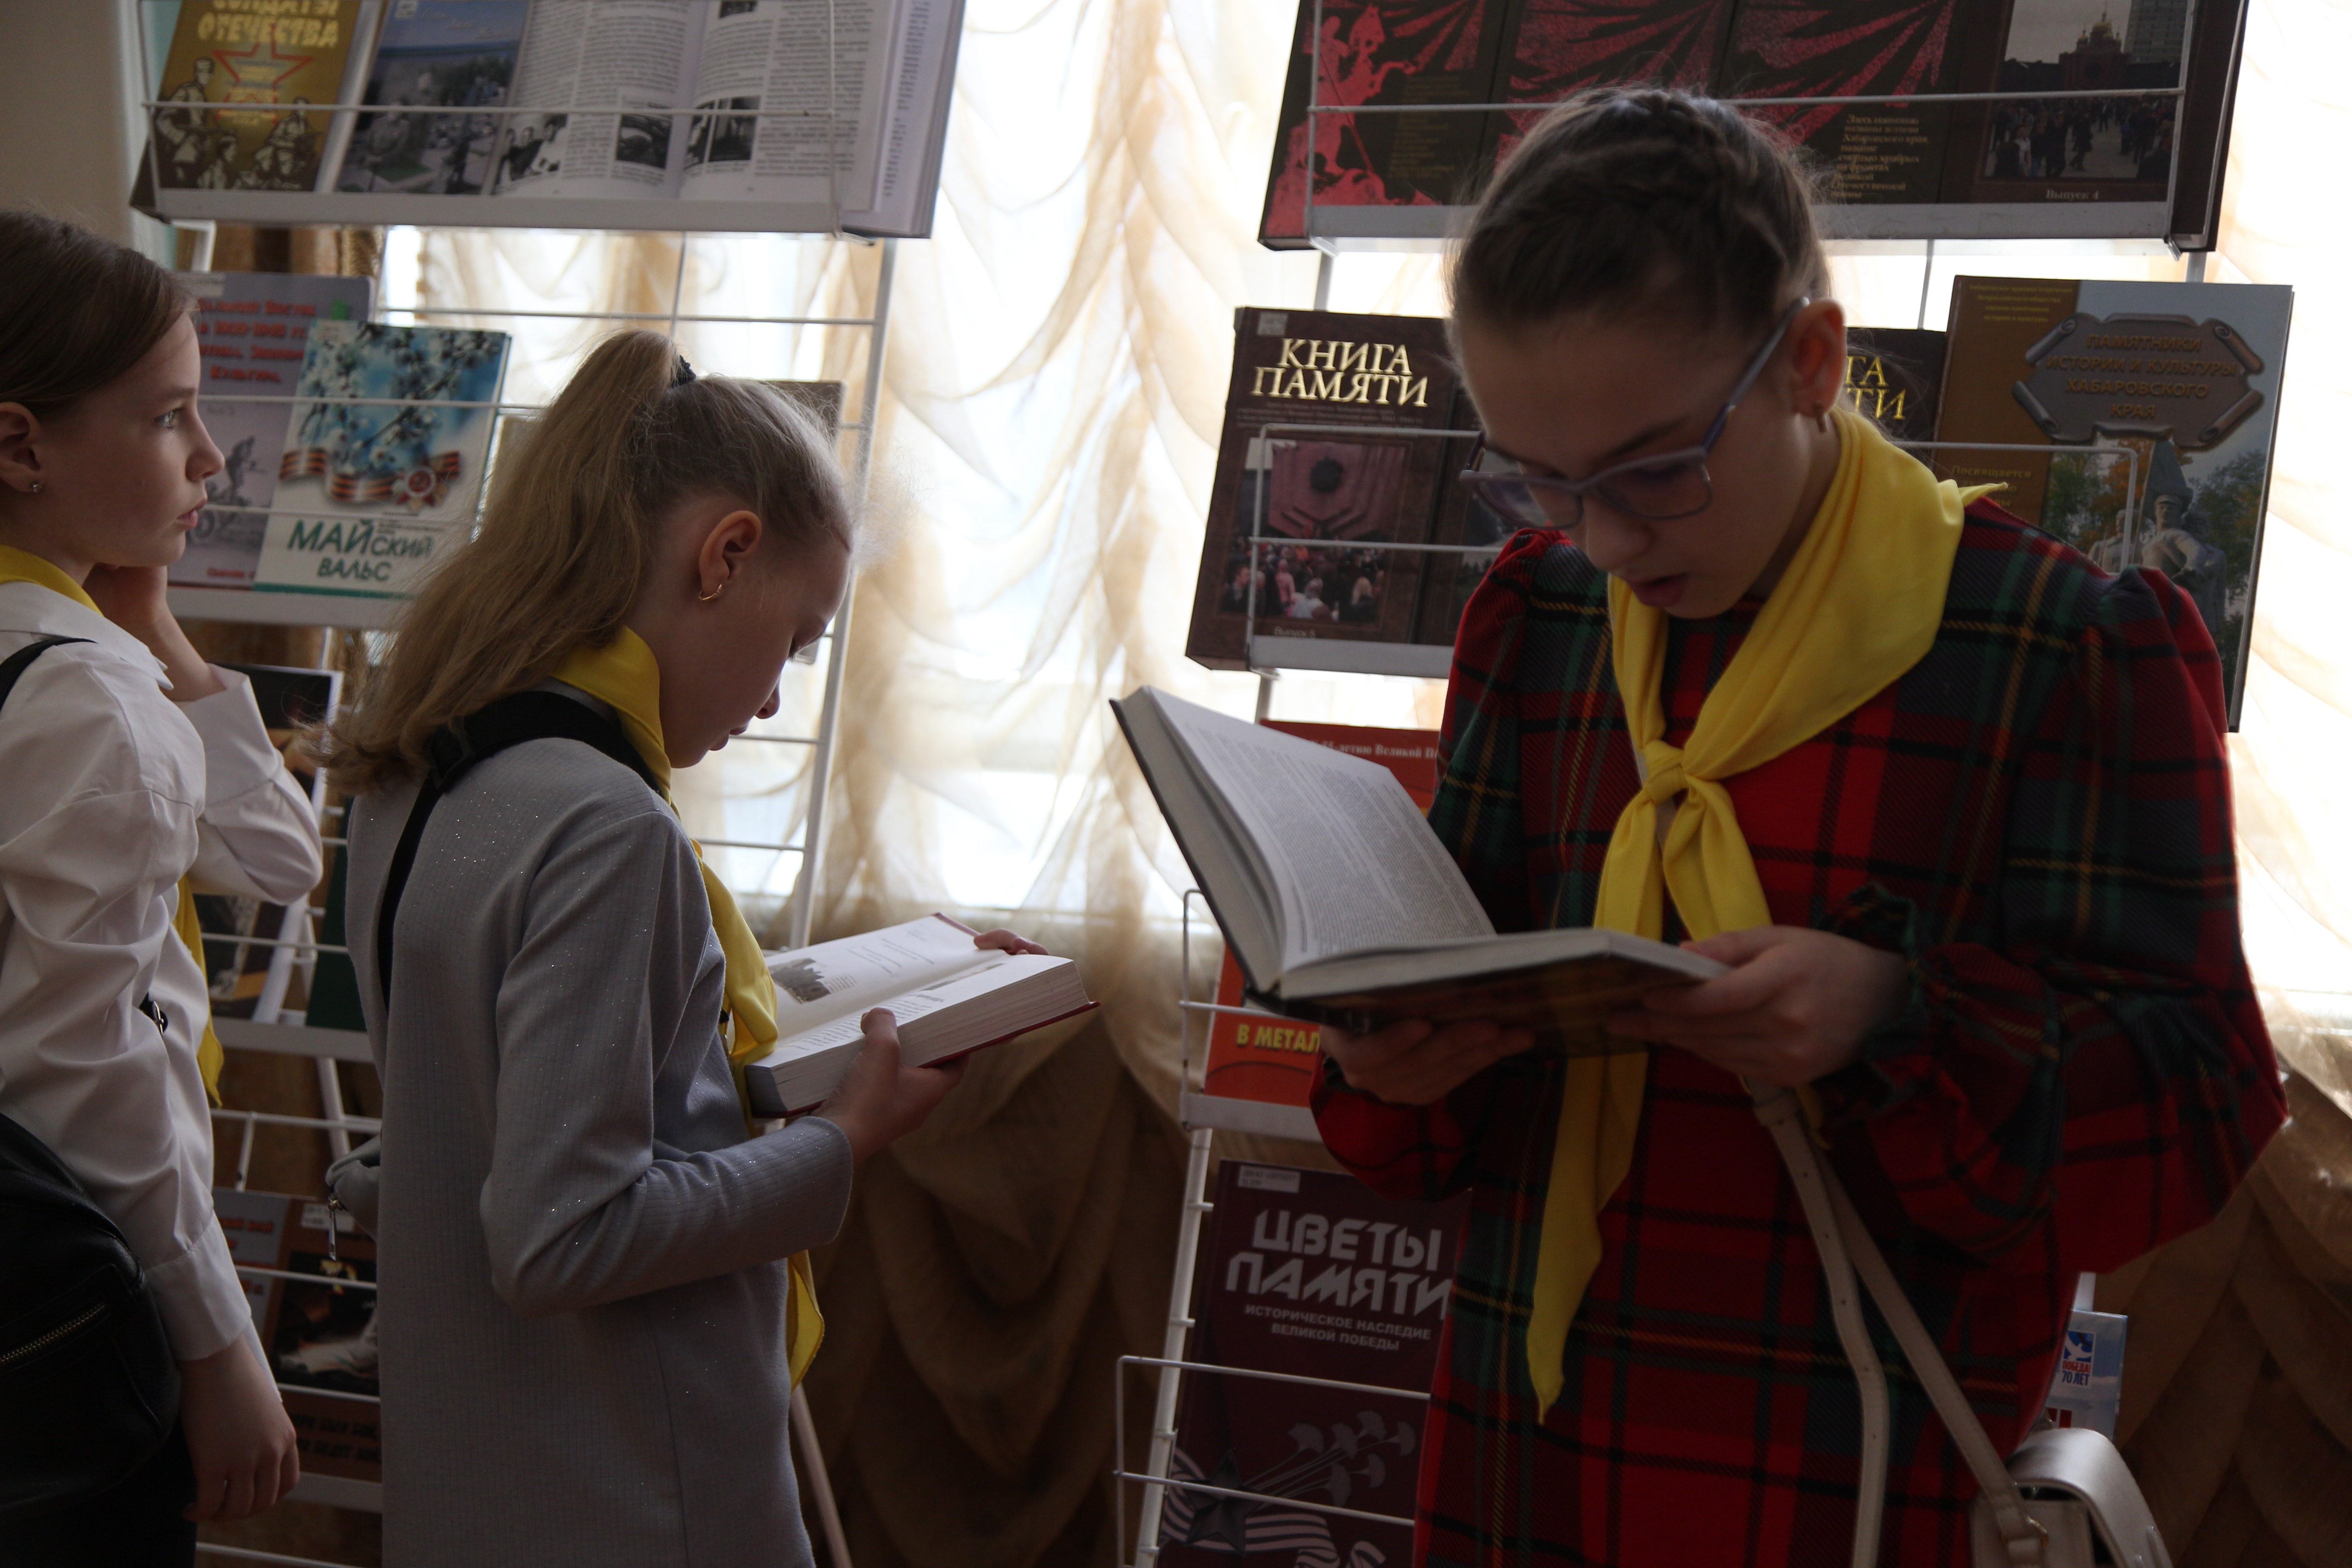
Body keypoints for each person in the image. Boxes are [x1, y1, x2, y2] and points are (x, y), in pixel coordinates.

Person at [1310, 89, 2283, 1567]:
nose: (1606, 540)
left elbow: (2194, 1114)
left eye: (1656, 471)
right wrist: (1394, 1058)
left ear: (1813, 361)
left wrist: (1898, 1013)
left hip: (1853, 1468)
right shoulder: (1542, 620)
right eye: (1543, 481)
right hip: (1527, 1453)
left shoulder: (2061, 644)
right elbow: (1459, 1054)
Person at [318, 330, 1027, 1568]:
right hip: (634, 1480)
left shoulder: (419, 771)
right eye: (796, 640)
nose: (774, 700)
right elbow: (567, 1235)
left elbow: (496, 1099)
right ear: (726, 554)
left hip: (470, 1461)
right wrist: (844, 1134)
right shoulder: (605, 824)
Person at [0, 211, 318, 1561]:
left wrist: (152, 625)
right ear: (20, 447)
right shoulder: (87, 707)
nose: (210, 458)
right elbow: (89, 1065)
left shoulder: (87, 674)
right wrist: (219, 1345)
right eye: (170, 417)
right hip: (59, 1286)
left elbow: (278, 859)